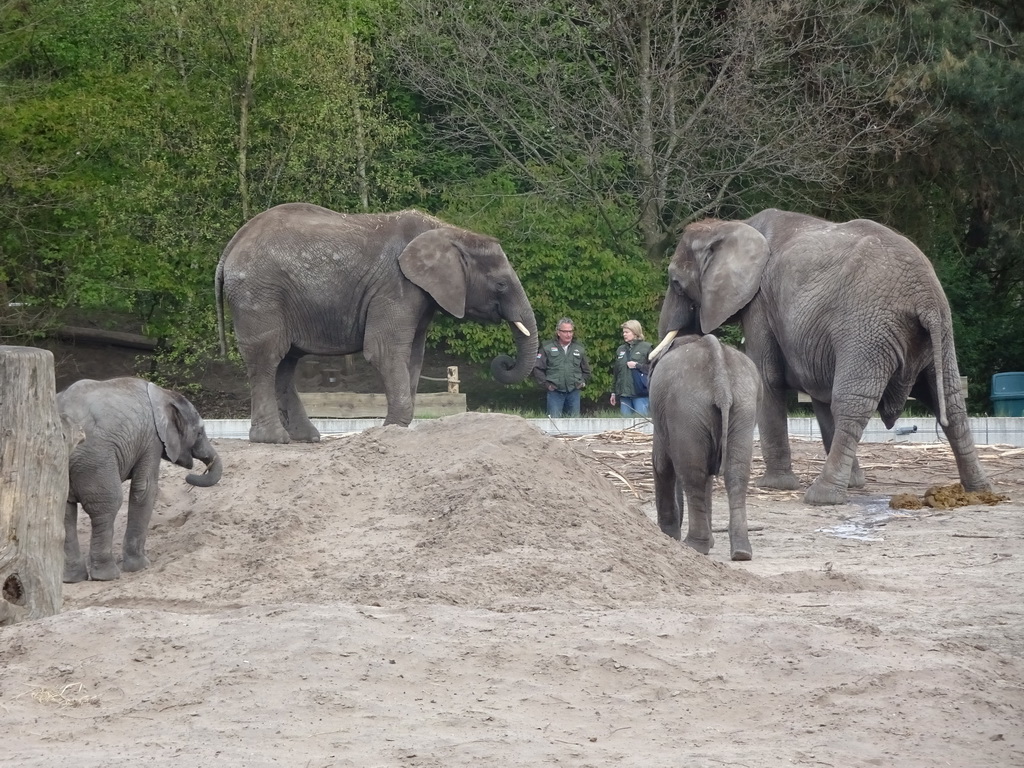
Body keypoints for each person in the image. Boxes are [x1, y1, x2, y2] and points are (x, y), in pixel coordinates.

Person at [533, 317, 592, 417]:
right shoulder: (547, 347)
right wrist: (546, 385)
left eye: (570, 331)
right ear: (558, 332)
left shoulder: (579, 348)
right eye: (565, 331)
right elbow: (537, 368)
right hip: (555, 392)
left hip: (573, 392)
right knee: (554, 424)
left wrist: (582, 382)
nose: (568, 334)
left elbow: (587, 370)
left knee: (574, 423)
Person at [610, 319, 653, 417]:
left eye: (627, 332)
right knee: (625, 427)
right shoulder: (620, 349)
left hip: (640, 394)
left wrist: (637, 366)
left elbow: (654, 369)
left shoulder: (646, 348)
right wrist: (613, 392)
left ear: (635, 332)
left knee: (641, 423)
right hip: (624, 395)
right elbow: (616, 372)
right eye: (623, 332)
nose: (624, 334)